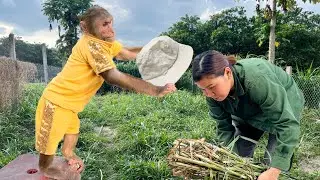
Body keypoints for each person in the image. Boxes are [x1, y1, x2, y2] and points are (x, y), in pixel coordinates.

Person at [35, 5, 176, 180]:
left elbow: (126, 53)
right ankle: (45, 166)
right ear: (85, 27)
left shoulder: (104, 43)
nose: (111, 29)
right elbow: (112, 76)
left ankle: (68, 153)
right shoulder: (91, 45)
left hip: (70, 105)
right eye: (104, 25)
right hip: (55, 101)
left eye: (111, 23)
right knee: (50, 138)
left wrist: (153, 50)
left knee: (72, 129)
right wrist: (155, 90)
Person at [192, 50, 305, 180]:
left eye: (212, 87)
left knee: (273, 164)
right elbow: (224, 128)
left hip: (283, 106)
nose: (209, 94)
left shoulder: (257, 80)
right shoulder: (211, 96)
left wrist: (274, 170)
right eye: (203, 89)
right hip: (248, 112)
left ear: (227, 73)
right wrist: (230, 162)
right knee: (239, 158)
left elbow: (287, 124)